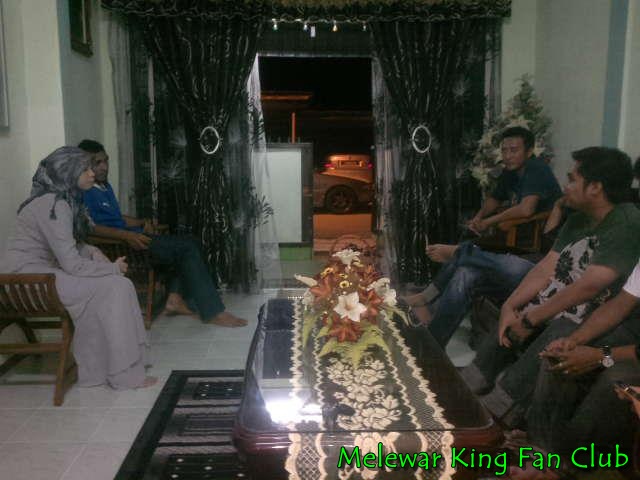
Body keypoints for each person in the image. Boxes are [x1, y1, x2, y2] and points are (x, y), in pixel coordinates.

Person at [459, 146, 640, 425]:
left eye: (572, 179)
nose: (565, 186)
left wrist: (531, 319)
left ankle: (496, 414)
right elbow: (546, 267)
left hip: (600, 315)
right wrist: (511, 307)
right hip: (569, 304)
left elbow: (590, 286)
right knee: (517, 312)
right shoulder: (578, 219)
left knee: (559, 328)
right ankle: (465, 387)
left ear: (595, 187)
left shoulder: (626, 221)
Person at [0, 147, 155, 389]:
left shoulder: (62, 201)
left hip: (35, 276)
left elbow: (67, 245)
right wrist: (112, 269)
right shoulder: (54, 204)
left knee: (118, 286)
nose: (92, 173)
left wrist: (93, 252)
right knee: (116, 286)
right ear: (67, 172)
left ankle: (103, 371)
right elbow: (71, 264)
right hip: (27, 282)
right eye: (85, 169)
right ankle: (121, 374)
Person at [78, 140, 246, 327]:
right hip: (124, 246)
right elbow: (90, 228)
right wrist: (127, 236)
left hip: (134, 238)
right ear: (84, 165)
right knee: (187, 248)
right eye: (97, 163)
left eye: (105, 161)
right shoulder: (84, 190)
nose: (104, 167)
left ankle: (174, 299)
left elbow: (116, 218)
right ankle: (214, 312)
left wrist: (141, 223)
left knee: (191, 242)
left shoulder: (104, 186)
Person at [422, 126, 562, 264]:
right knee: (481, 240)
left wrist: (488, 222)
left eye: (513, 150)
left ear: (529, 151)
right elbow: (495, 198)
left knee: (493, 234)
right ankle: (459, 251)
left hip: (540, 233)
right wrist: (478, 218)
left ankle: (458, 251)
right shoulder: (511, 170)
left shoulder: (536, 168)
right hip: (520, 229)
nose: (507, 156)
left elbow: (526, 209)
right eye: (504, 150)